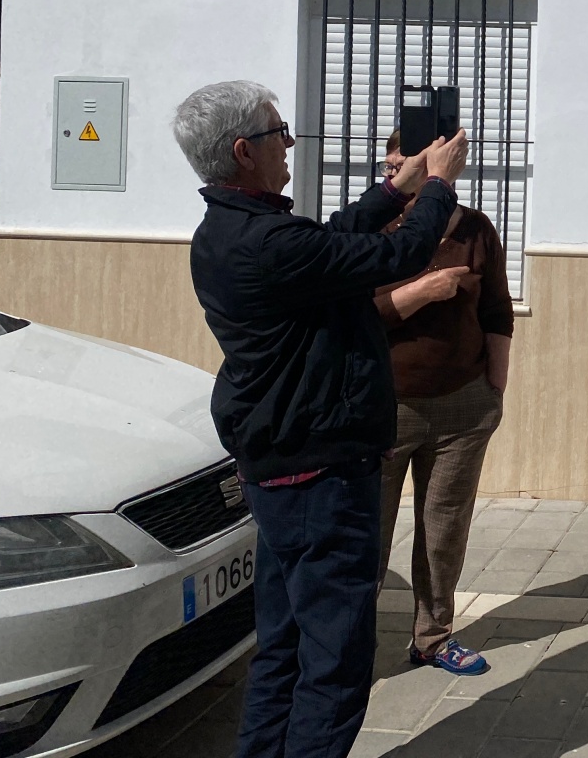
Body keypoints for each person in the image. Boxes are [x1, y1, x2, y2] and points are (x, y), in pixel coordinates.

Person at [172, 81, 466, 758]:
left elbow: (330, 242)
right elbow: (395, 256)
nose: (290, 144)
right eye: (279, 133)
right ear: (244, 151)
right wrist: (439, 186)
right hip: (320, 479)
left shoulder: (230, 231)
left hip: (282, 472)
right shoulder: (267, 242)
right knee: (334, 665)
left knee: (283, 648)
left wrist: (397, 189)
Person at [374, 129, 514, 674]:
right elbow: (355, 314)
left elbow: (497, 312)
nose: (393, 176)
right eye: (389, 167)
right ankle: (348, 644)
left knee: (445, 530)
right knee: (367, 533)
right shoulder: (375, 228)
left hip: (462, 408)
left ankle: (432, 638)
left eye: (401, 166)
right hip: (382, 409)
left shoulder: (476, 230)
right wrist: (420, 293)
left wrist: (493, 392)